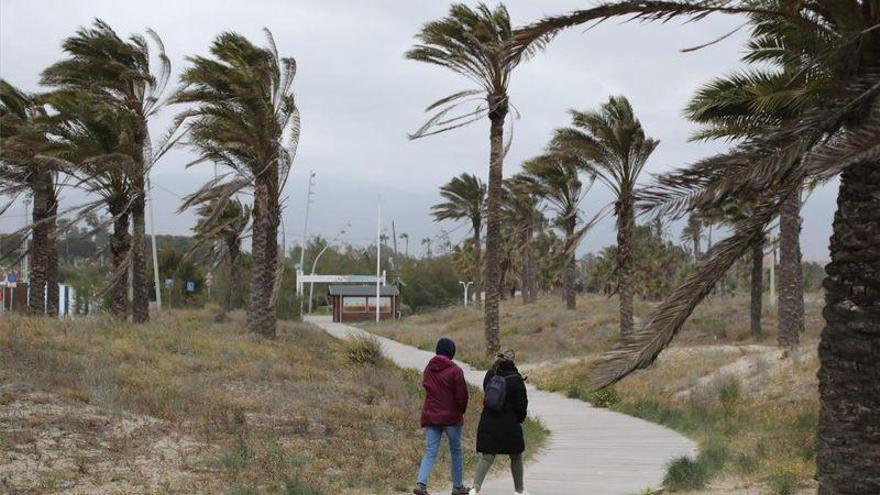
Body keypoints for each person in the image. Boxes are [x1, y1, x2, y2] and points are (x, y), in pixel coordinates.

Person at [414, 337, 470, 495]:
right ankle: (457, 486)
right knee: (456, 450)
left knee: (430, 450)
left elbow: (426, 386)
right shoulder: (456, 370)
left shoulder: (429, 368)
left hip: (432, 415)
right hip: (451, 417)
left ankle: (421, 484)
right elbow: (462, 396)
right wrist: (461, 410)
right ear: (452, 352)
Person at [469, 351, 529, 495]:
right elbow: (522, 405)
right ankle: (519, 491)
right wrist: (518, 420)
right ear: (513, 362)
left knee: (487, 457)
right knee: (515, 456)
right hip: (509, 424)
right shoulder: (516, 379)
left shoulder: (491, 375)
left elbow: (487, 392)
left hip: (488, 421)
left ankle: (475, 488)